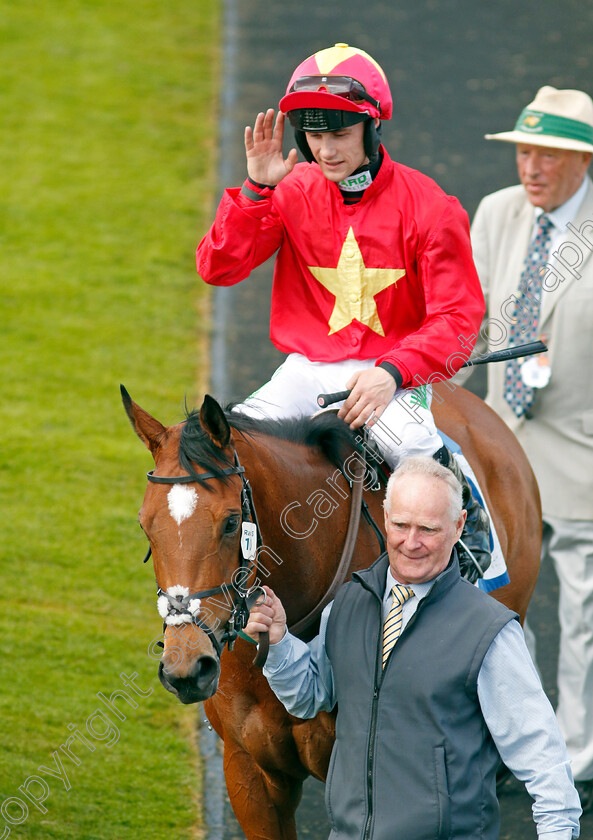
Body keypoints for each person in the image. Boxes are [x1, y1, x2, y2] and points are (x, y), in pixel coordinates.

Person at [196, 42, 490, 576]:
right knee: (223, 453)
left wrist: (392, 373)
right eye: (314, 136)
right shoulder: (287, 190)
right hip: (305, 368)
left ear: (372, 128)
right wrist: (257, 189)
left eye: (340, 134)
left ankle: (468, 541)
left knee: (416, 453)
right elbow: (218, 269)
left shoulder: (432, 208)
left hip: (392, 372)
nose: (326, 151)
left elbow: (458, 320)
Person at [244, 456, 581, 840]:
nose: (411, 542)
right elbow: (309, 696)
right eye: (401, 525)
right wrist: (279, 642)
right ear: (385, 517)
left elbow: (541, 754)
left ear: (459, 527)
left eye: (428, 529)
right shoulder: (348, 604)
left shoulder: (489, 631)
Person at [469, 85, 593, 813]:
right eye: (522, 150)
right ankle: (503, 742)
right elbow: (474, 323)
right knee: (492, 611)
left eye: (546, 153)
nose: (530, 166)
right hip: (501, 453)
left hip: (581, 455)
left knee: (584, 617)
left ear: (581, 161)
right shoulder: (495, 213)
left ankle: (575, 755)